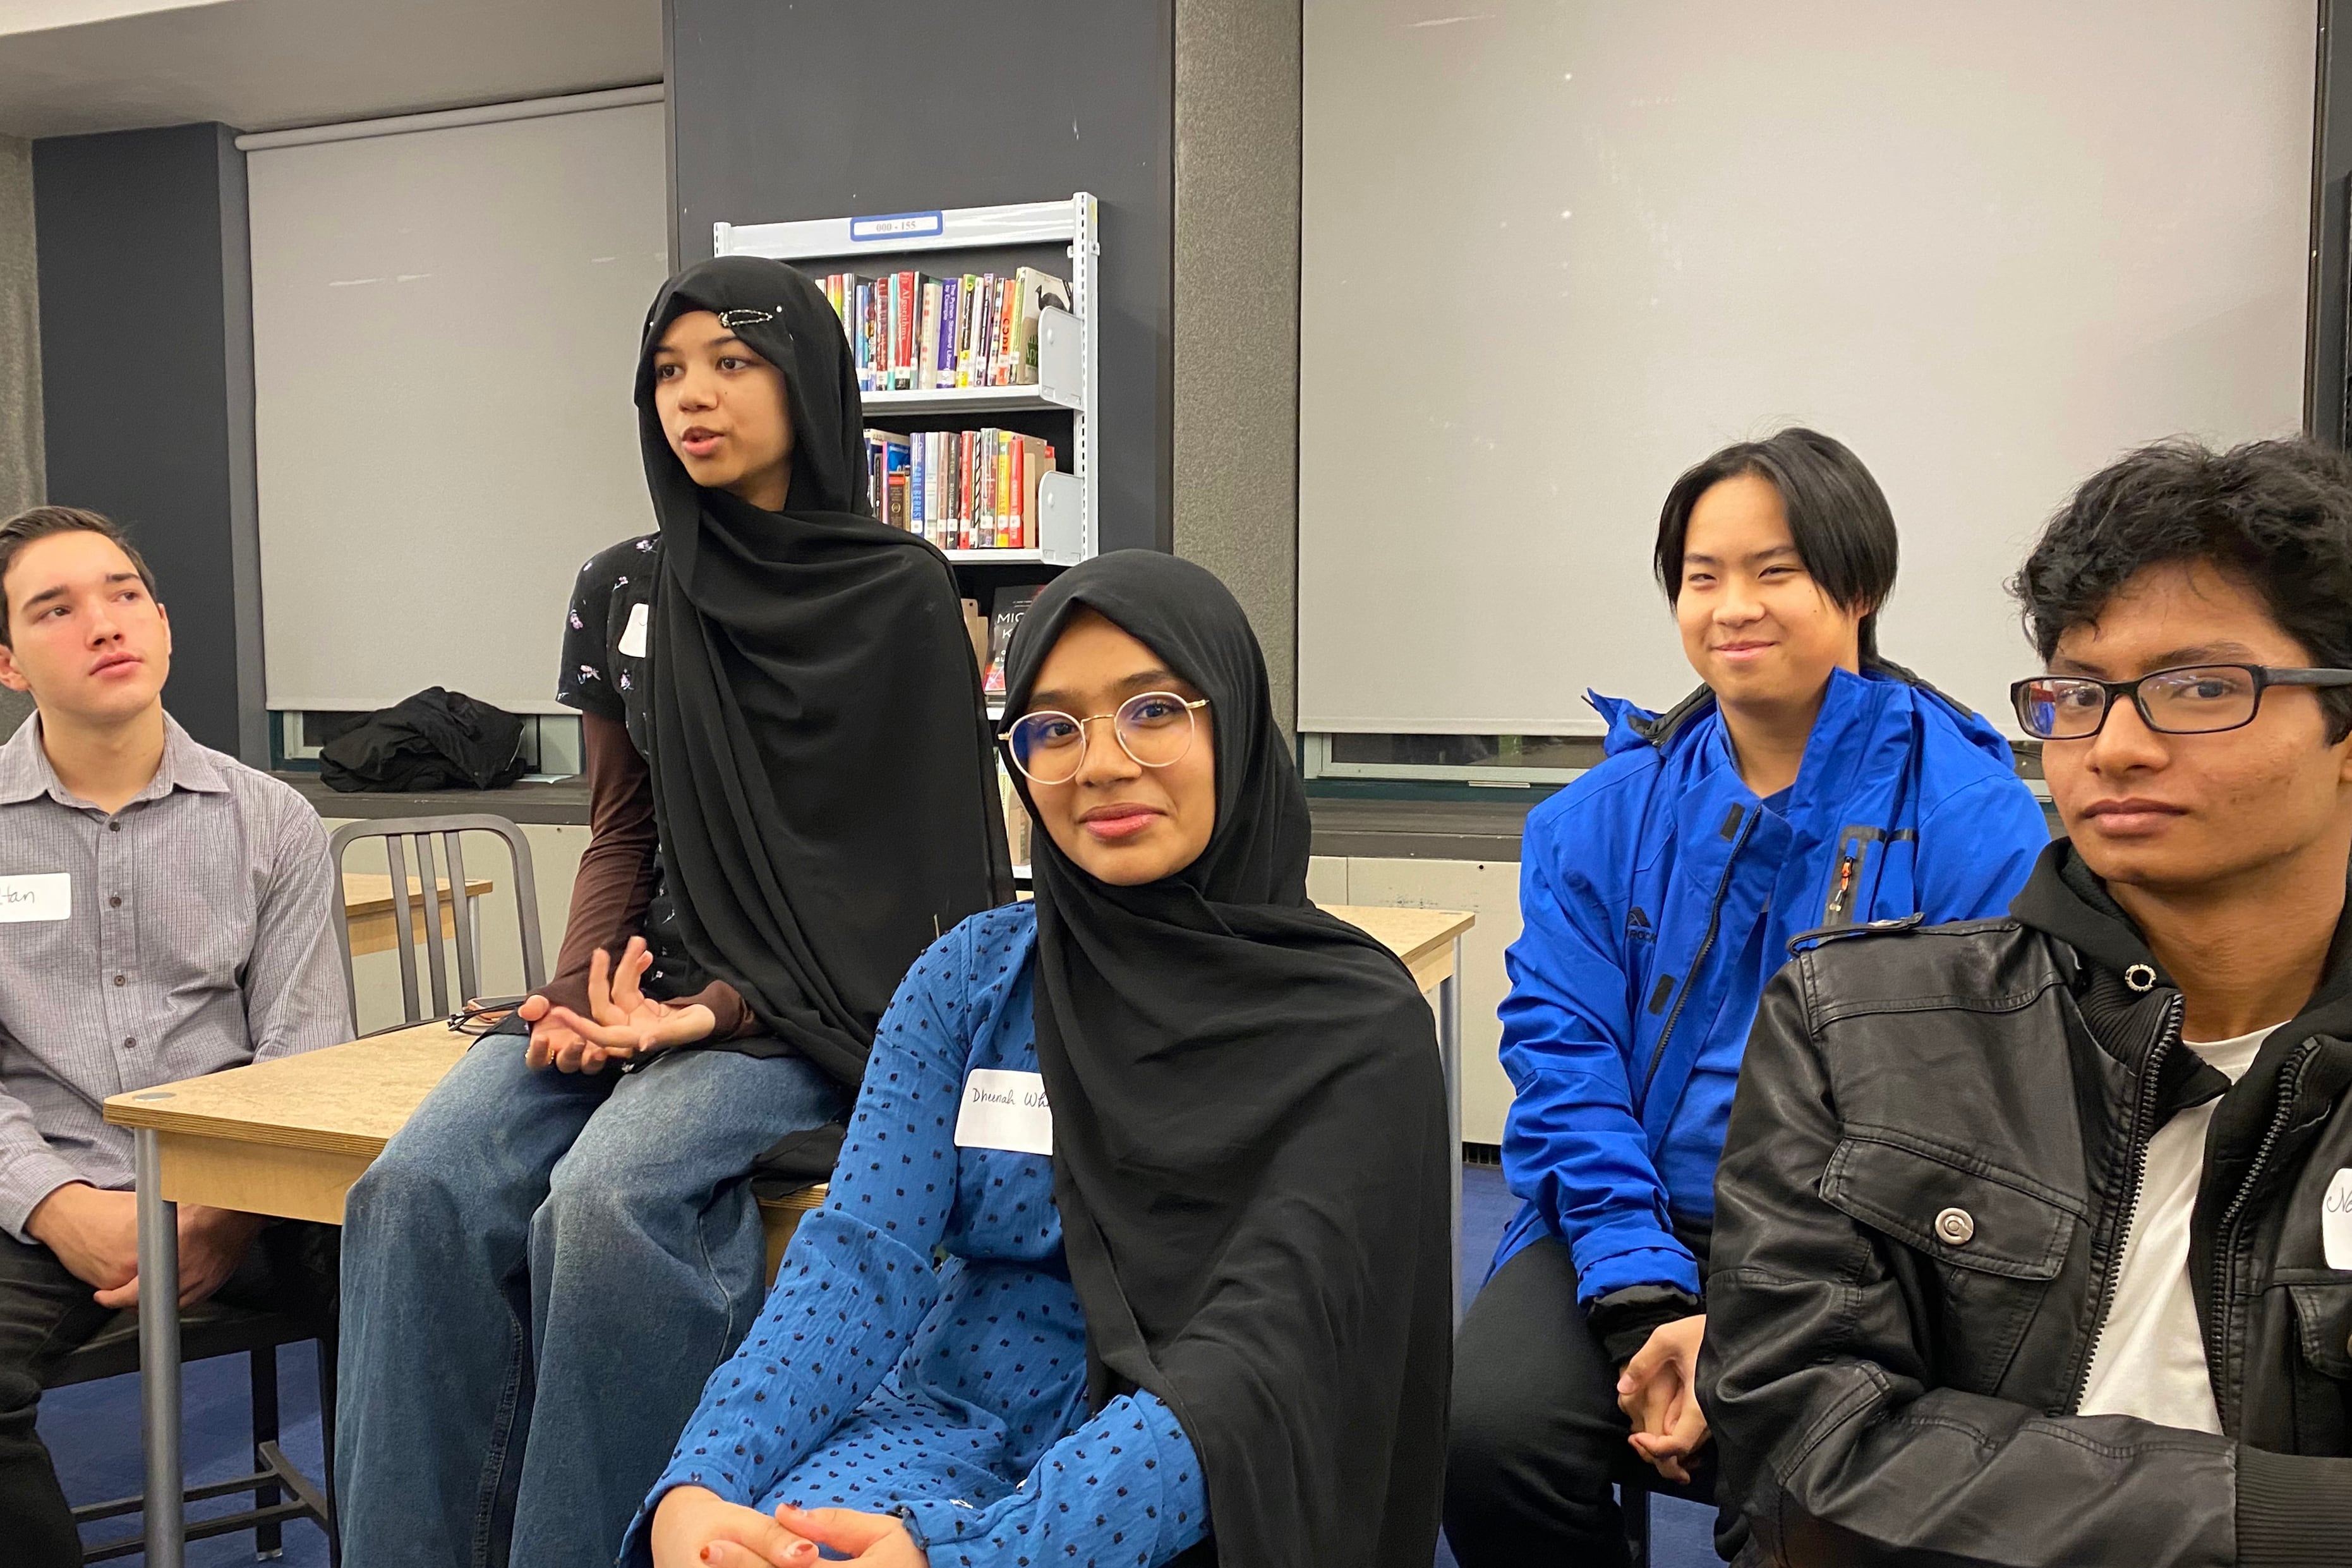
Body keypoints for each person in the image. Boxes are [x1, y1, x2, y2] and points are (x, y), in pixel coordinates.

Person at [335, 257, 1013, 1567]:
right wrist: (588, 991)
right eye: (666, 371)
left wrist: (708, 1008)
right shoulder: (624, 586)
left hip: (807, 1003)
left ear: (807, 384)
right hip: (651, 979)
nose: (690, 398)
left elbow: (911, 882)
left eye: (731, 363)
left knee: (605, 1201)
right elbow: (622, 829)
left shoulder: (903, 593)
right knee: (411, 1185)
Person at [629, 550, 1454, 1568]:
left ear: (1232, 722)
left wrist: (974, 1555)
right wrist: (704, 1480)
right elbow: (859, 1263)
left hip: (1190, 1467)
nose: (1100, 763)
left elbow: (1253, 1367)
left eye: (1151, 710)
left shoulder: (1354, 1029)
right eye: (1053, 728)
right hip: (951, 1419)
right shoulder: (973, 979)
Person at [1702, 437, 2352, 1567]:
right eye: (2076, 696)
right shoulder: (1856, 1020)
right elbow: (1805, 1455)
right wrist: (2291, 1521)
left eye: (2201, 687)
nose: (2117, 746)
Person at [1445, 428, 2051, 1563]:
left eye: (1776, 571)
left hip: (1869, 1245)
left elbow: (1970, 1108)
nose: (1733, 606)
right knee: (1488, 1440)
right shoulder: (1600, 816)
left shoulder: (1974, 813)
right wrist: (1638, 1292)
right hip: (1629, 1216)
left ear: (1859, 584)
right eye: (1702, 576)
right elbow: (1563, 1055)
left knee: (1832, 1480)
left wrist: (1763, 1313)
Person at [0, 505, 347, 1564]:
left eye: (123, 595)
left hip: (251, 1189)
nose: (103, 623)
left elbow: (305, 1050)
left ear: (164, 625)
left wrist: (225, 1210)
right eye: (55, 609)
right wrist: (57, 1205)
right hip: (44, 1189)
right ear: (8, 662)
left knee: (443, 1293)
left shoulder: (271, 818)